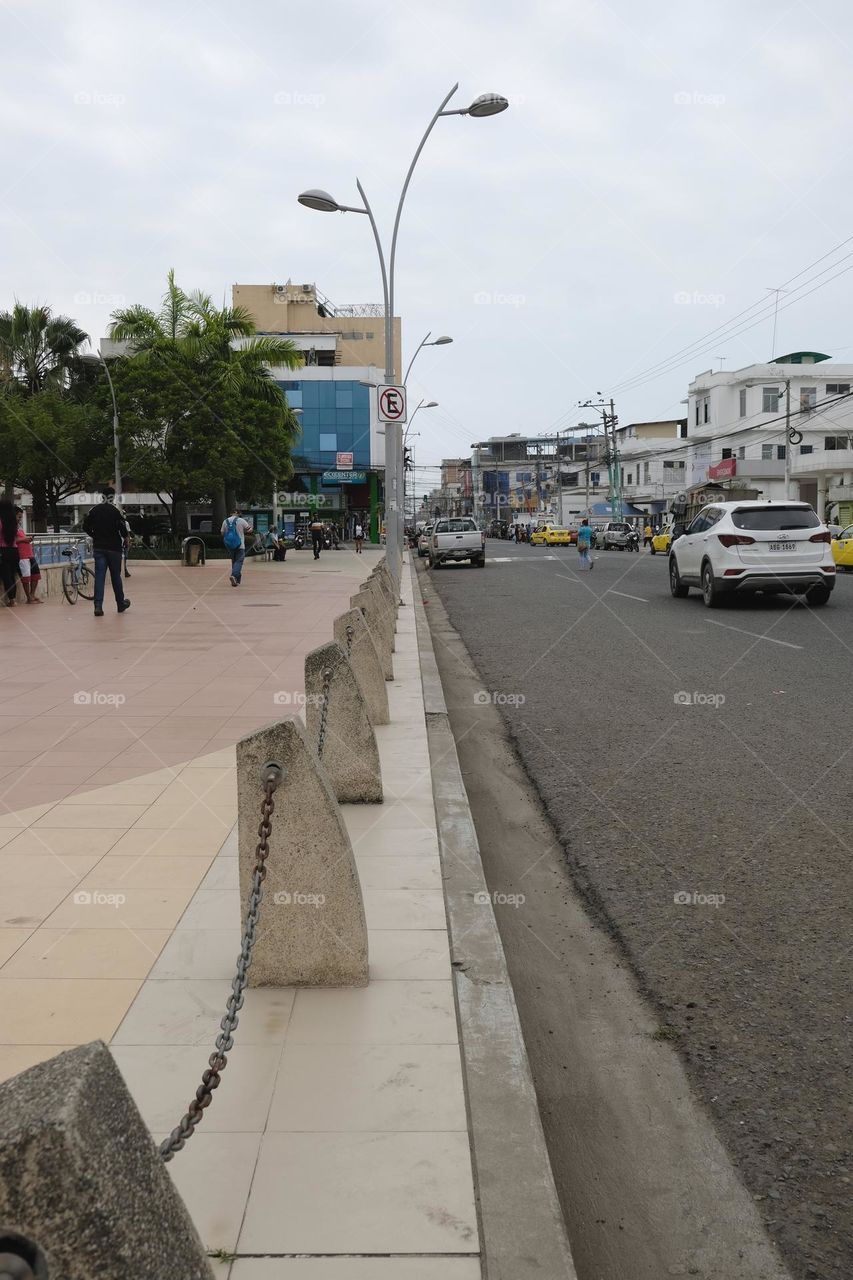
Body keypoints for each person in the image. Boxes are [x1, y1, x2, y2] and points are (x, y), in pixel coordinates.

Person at [83, 498, 131, 616]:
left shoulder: (94, 510)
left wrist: (94, 535)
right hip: (114, 548)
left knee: (100, 576)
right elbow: (122, 527)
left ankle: (98, 606)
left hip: (99, 548)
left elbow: (85, 526)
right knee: (116, 577)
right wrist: (126, 538)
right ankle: (120, 604)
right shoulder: (115, 511)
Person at [15, 509, 42, 603]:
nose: (20, 519)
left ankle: (32, 595)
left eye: (21, 517)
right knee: (26, 577)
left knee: (36, 574)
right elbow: (12, 541)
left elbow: (20, 538)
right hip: (22, 555)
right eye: (18, 516)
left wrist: (26, 539)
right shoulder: (10, 527)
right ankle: (28, 597)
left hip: (29, 554)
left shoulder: (19, 526)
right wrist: (24, 539)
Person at [221, 506, 251, 586]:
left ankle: (237, 581)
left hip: (230, 545)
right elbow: (249, 529)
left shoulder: (225, 521)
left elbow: (222, 532)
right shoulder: (241, 520)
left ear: (231, 513)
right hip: (240, 545)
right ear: (238, 513)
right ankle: (234, 576)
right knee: (239, 562)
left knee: (234, 562)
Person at [0, 500, 21, 606]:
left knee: (6, 576)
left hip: (3, 550)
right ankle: (13, 600)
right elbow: (16, 537)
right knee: (12, 575)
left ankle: (11, 599)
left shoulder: (1, 521)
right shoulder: (13, 523)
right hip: (14, 551)